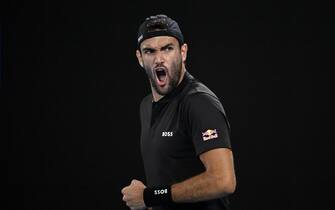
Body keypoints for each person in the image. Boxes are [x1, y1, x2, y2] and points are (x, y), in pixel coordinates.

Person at [121, 14, 236, 210]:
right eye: (149, 51)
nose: (159, 59)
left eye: (167, 48)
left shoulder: (199, 102)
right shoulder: (146, 106)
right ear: (140, 58)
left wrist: (150, 196)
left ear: (183, 52)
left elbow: (223, 181)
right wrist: (151, 200)